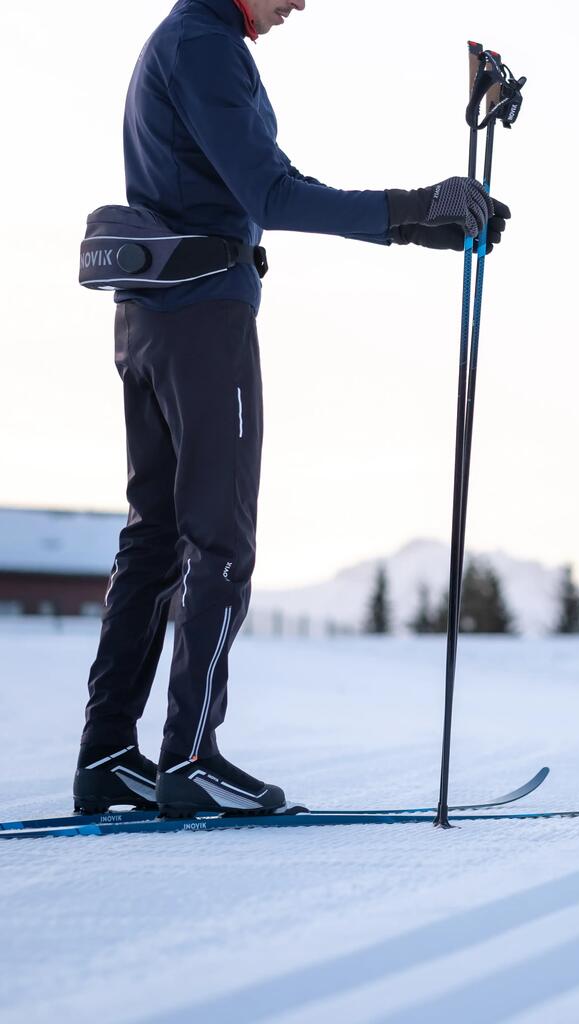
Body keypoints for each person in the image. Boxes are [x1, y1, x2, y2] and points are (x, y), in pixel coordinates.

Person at [73, 0, 510, 818]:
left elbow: (239, 188)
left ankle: (107, 755)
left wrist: (417, 229)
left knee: (157, 535)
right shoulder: (204, 45)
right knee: (220, 539)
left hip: (151, 315)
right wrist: (412, 206)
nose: (299, 4)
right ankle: (191, 758)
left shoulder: (185, 39)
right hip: (202, 319)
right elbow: (269, 193)